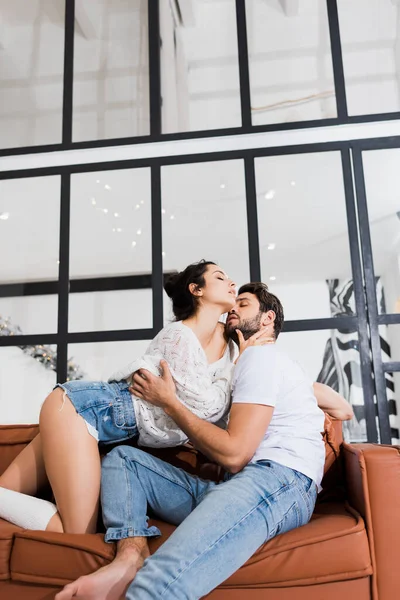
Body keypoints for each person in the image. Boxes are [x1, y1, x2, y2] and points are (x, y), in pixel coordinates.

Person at [55, 282, 353, 600]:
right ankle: (130, 556)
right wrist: (304, 401)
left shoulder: (262, 359)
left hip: (277, 480)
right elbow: (343, 408)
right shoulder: (264, 370)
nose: (234, 308)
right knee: (124, 461)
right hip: (237, 485)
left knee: (153, 588)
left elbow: (236, 454)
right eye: (233, 303)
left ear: (268, 319)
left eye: (245, 303)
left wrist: (170, 402)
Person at [0, 260, 250, 535]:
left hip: (90, 418)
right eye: (219, 277)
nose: (231, 283)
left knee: (5, 494)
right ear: (196, 289)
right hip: (81, 411)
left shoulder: (229, 347)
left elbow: (215, 416)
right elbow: (202, 407)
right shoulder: (178, 336)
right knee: (77, 532)